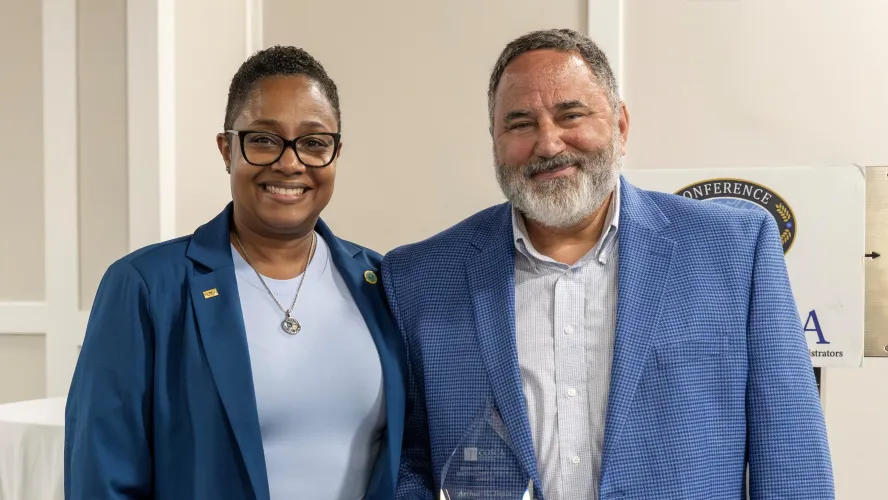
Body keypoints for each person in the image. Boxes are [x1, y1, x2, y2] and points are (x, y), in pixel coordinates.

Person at [383, 28, 834, 499]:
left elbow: (792, 452)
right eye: (520, 124)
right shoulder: (420, 276)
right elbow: (410, 459)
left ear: (620, 124)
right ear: (495, 141)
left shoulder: (733, 249)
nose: (548, 144)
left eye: (570, 115)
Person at [64, 46, 406, 500]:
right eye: (263, 139)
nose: (290, 162)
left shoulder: (383, 283)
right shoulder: (145, 287)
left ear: (336, 153)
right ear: (227, 150)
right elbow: (101, 476)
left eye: (314, 142)